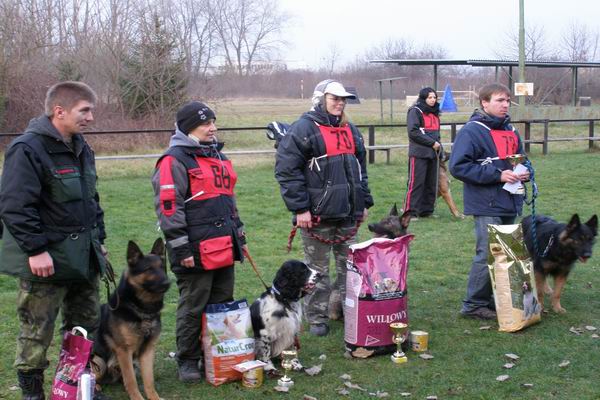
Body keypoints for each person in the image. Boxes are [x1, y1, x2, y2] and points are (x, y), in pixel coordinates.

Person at [0, 81, 107, 400]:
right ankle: (33, 395)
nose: (91, 117)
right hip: (46, 260)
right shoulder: (28, 149)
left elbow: (92, 200)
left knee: (83, 325)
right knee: (37, 331)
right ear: (59, 111)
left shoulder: (81, 146)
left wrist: (97, 240)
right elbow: (14, 205)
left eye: (91, 110)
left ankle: (73, 388)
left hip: (83, 257)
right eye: (84, 110)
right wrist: (36, 250)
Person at [152, 101, 246, 382]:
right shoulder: (173, 161)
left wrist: (238, 234)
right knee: (193, 306)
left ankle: (216, 355)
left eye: (213, 122)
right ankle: (188, 360)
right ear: (188, 127)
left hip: (224, 245)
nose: (213, 128)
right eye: (206, 123)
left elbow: (229, 200)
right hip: (194, 250)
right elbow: (169, 207)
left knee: (221, 303)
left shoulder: (219, 157)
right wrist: (181, 248)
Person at [275, 79, 374, 336]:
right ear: (321, 99)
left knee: (350, 270)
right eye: (335, 99)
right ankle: (317, 317)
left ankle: (352, 311)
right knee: (317, 272)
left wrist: (364, 202)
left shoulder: (350, 130)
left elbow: (361, 170)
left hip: (349, 215)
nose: (340, 103)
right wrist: (300, 209)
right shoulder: (303, 129)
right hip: (317, 216)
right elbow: (287, 172)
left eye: (343, 99)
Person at [449, 83, 530, 320]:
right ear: (484, 102)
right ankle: (473, 304)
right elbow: (459, 166)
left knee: (506, 253)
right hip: (486, 202)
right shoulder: (472, 131)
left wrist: (525, 173)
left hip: (509, 199)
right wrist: (497, 175)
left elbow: (521, 160)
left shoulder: (511, 131)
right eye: (499, 100)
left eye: (507, 101)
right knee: (488, 252)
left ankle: (499, 299)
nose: (505, 105)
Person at [403, 87, 442, 218]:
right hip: (419, 153)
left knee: (431, 183)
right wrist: (431, 143)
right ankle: (411, 212)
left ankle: (427, 210)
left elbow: (436, 134)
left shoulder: (435, 113)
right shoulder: (415, 111)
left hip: (433, 154)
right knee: (416, 183)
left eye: (434, 97)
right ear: (423, 98)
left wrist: (439, 148)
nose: (432, 100)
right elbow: (413, 132)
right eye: (429, 97)